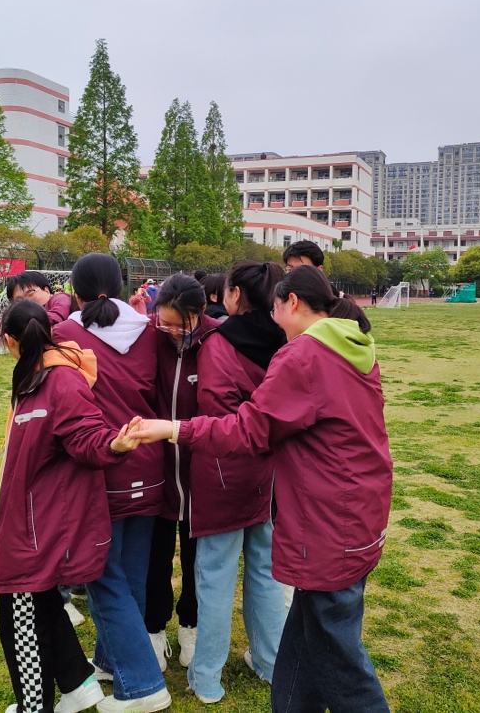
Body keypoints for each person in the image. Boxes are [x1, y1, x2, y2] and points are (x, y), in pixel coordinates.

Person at [129, 265, 393, 713]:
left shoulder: (303, 354)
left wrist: (173, 429)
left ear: (292, 302)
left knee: (339, 658)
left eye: (277, 307)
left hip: (329, 520)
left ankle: (211, 675)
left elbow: (247, 429)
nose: (272, 317)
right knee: (301, 639)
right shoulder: (352, 343)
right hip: (359, 510)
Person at [0, 299, 139, 713]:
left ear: (10, 341)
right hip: (33, 514)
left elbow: (86, 435)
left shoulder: (61, 380)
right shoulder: (35, 375)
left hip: (42, 520)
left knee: (18, 608)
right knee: (39, 599)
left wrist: (114, 444)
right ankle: (77, 683)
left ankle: (34, 705)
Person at [52, 253, 172, 713]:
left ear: (76, 290)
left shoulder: (65, 334)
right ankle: (111, 660)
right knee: (131, 573)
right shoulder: (149, 330)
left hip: (100, 465)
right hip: (150, 461)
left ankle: (142, 685)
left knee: (101, 575)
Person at [187, 261, 288, 702]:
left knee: (215, 574)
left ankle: (207, 676)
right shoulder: (288, 341)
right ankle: (271, 662)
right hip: (271, 470)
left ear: (235, 295)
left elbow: (214, 409)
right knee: (265, 570)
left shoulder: (219, 343)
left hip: (223, 468)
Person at [146, 275, 221, 673]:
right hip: (157, 468)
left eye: (181, 324)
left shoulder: (217, 340)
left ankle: (190, 624)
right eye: (166, 322)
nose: (172, 331)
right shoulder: (149, 336)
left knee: (197, 558)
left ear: (201, 312)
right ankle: (154, 627)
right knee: (156, 555)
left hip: (200, 470)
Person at [8, 271, 74, 326]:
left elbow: (58, 314)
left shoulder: (60, 298)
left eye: (30, 294)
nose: (26, 301)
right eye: (19, 300)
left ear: (46, 290)